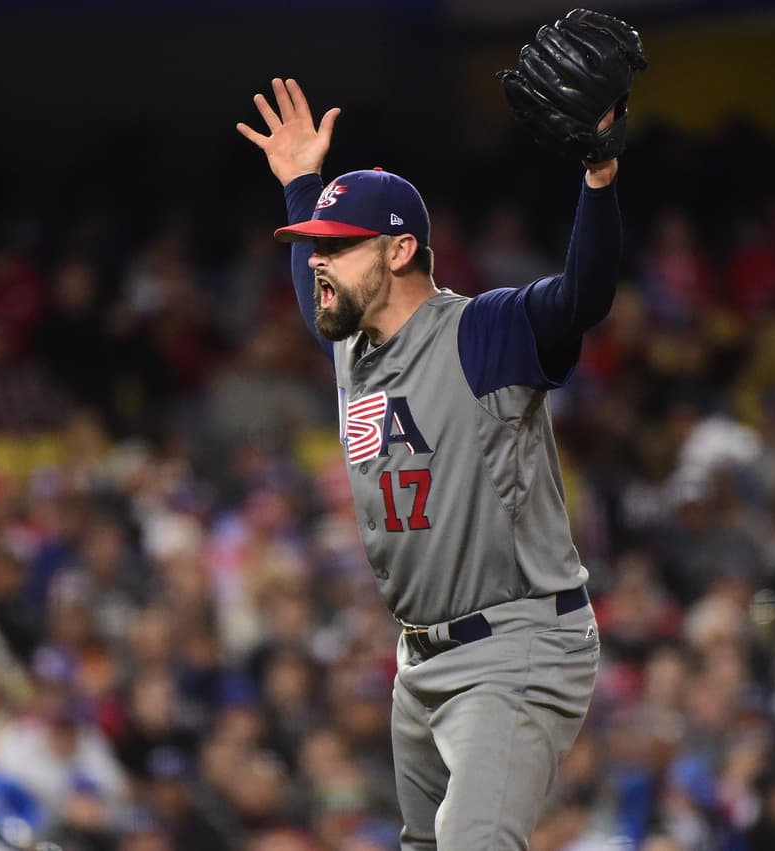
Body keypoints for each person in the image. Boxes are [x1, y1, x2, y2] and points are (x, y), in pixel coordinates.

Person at [236, 40, 633, 849]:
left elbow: (583, 295)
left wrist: (598, 177)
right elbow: (322, 303)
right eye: (313, 246)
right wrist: (298, 183)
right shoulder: (352, 347)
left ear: (400, 249)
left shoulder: (481, 332)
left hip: (516, 644)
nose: (317, 262)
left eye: (337, 245)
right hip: (418, 663)